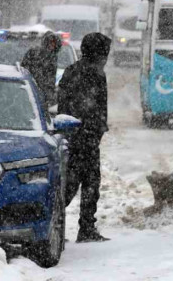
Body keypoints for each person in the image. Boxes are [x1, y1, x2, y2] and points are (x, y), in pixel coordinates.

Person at [58, 32, 112, 243]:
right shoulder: (95, 74)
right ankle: (86, 227)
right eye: (105, 53)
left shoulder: (71, 71)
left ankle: (56, 219)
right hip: (86, 137)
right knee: (89, 182)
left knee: (71, 182)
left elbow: (63, 102)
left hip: (71, 135)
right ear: (99, 54)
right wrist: (97, 129)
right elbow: (97, 107)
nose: (106, 58)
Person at [20, 32, 62, 107]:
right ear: (45, 43)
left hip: (41, 94)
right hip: (29, 90)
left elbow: (50, 79)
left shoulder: (53, 57)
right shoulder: (34, 53)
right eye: (50, 43)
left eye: (54, 44)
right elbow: (24, 69)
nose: (52, 46)